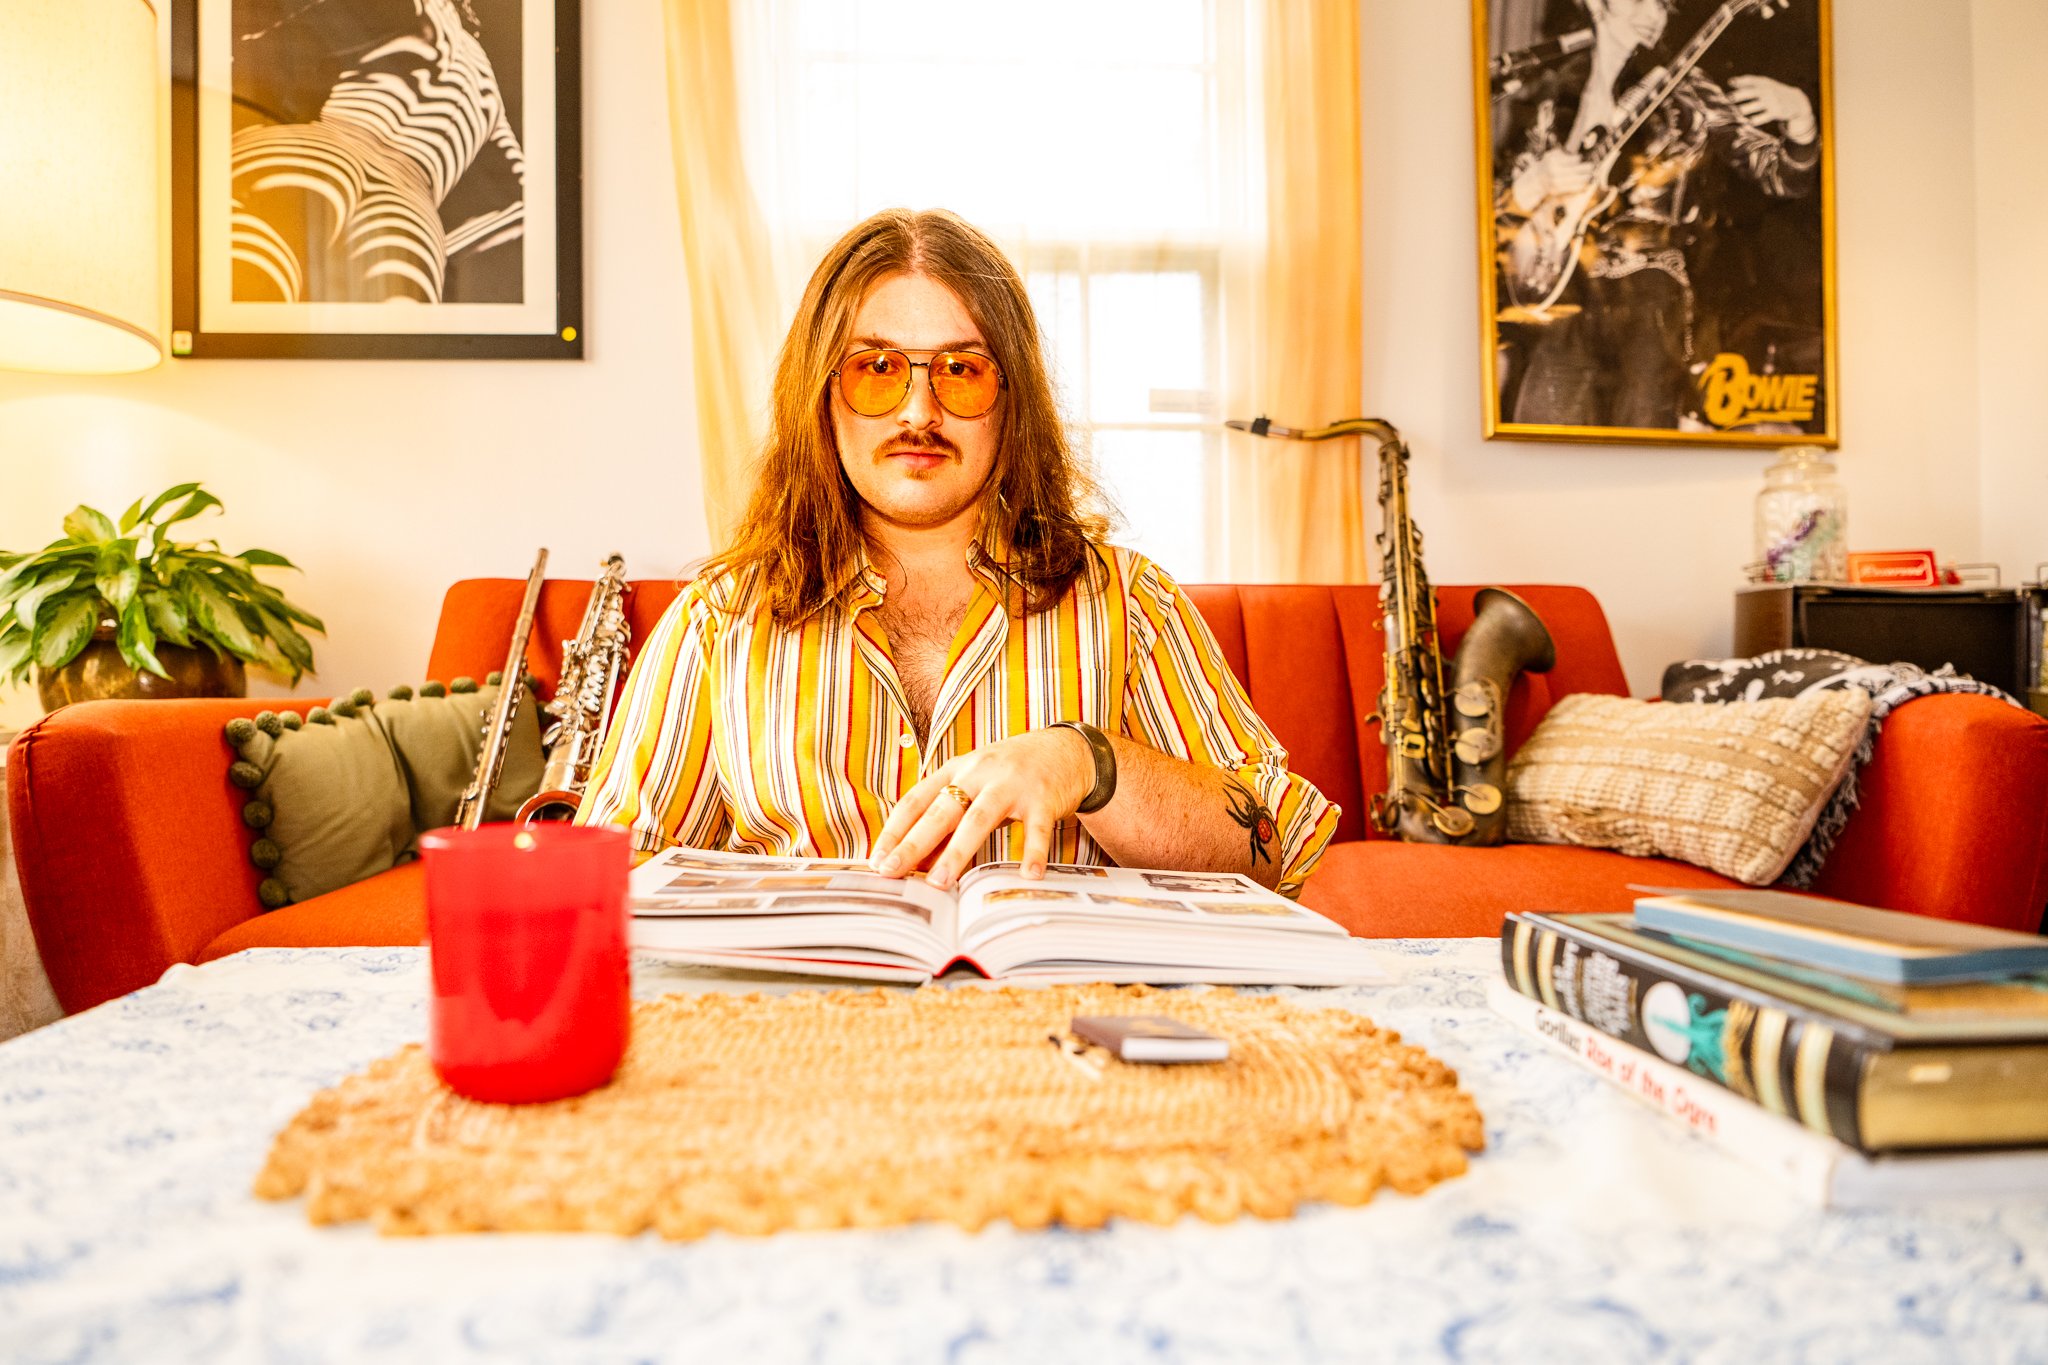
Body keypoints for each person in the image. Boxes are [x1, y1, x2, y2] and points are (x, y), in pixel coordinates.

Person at [576, 208, 1338, 896]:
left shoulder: (1131, 605)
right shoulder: (720, 621)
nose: (918, 411)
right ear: (820, 393)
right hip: (805, 1039)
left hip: (1060, 1036)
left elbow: (1272, 848)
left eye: (962, 370)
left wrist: (1092, 764)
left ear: (1012, 403)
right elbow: (608, 877)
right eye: (875, 367)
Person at [1494, 0, 1819, 430]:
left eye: (1662, 3)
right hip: (1560, 299)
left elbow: (1780, 175)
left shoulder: (1688, 89)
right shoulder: (1553, 97)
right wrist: (1530, 185)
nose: (1651, 13)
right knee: (1541, 433)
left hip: (1649, 294)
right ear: (1596, 4)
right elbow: (1494, 218)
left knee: (1643, 434)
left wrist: (1800, 117)